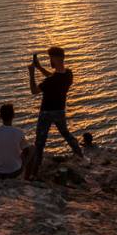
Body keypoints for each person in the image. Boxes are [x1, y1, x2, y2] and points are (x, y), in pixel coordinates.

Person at [25, 46, 84, 180]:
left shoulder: (50, 81)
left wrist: (32, 73)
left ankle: (35, 172)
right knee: (66, 133)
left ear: (56, 59)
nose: (50, 60)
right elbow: (54, 77)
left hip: (46, 113)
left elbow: (34, 90)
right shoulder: (69, 74)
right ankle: (80, 155)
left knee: (40, 142)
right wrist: (40, 68)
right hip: (60, 111)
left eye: (50, 57)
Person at [0, 103, 31, 179]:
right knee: (32, 148)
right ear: (13, 116)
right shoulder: (18, 132)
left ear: (0, 116)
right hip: (14, 172)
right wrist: (21, 156)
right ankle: (26, 178)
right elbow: (27, 151)